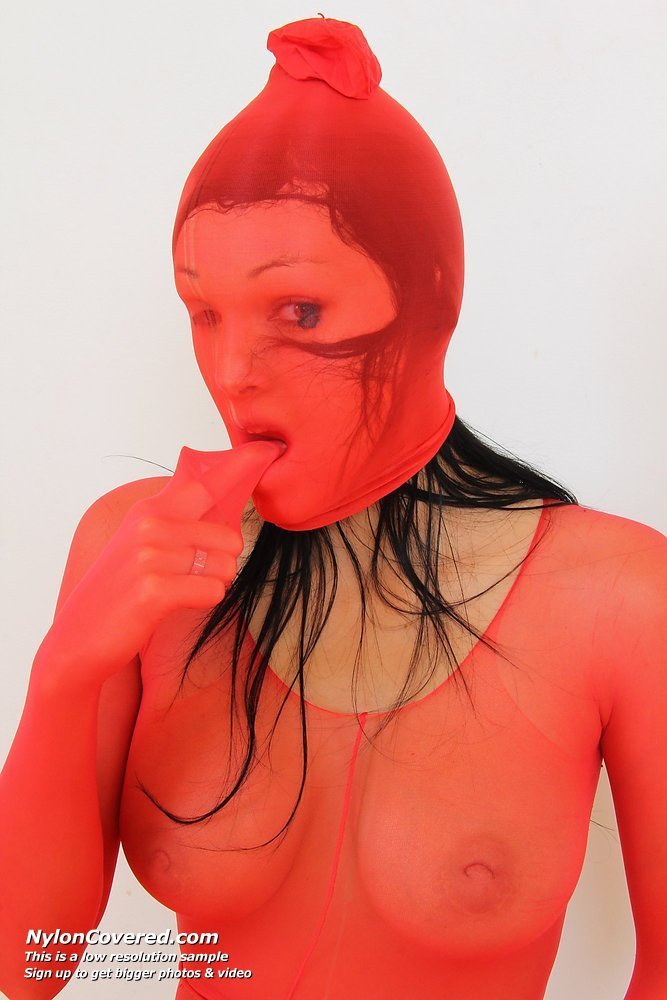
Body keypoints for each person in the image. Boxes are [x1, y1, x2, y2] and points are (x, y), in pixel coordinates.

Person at [1, 15, 665, 1000]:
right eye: (203, 311)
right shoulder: (131, 550)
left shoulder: (617, 597)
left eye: (298, 311)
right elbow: (27, 965)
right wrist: (65, 672)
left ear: (430, 303)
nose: (232, 371)